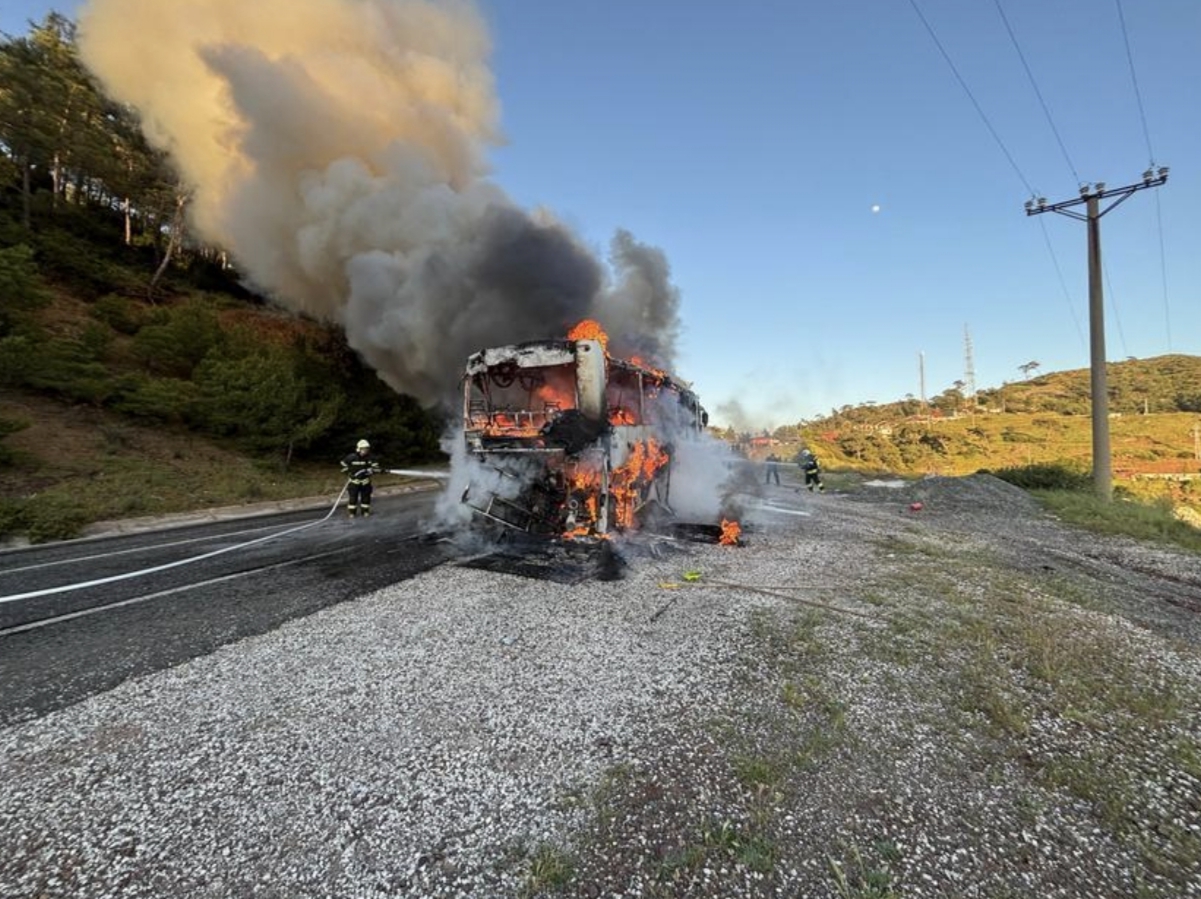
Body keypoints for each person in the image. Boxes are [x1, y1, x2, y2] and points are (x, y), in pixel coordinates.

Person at [340, 438, 381, 517]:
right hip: (354, 481)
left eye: (367, 449)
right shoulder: (351, 457)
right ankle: (352, 513)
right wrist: (349, 473)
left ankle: (365, 511)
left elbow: (375, 468)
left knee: (366, 498)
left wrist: (375, 470)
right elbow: (343, 465)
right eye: (364, 449)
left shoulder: (370, 458)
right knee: (353, 498)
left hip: (365, 481)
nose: (365, 451)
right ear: (359, 449)